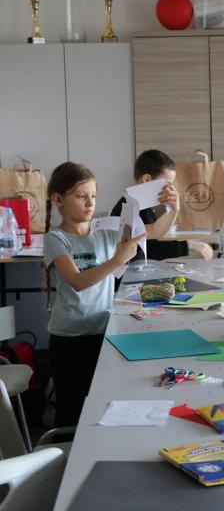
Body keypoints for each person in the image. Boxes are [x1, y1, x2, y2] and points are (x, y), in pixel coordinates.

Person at [44, 162, 143, 426]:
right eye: (81, 196)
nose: (90, 203)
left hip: (102, 333)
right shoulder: (55, 239)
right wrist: (117, 259)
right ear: (58, 199)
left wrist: (173, 208)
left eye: (94, 196)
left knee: (102, 405)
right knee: (71, 411)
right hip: (69, 340)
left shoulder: (105, 231)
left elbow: (152, 232)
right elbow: (77, 281)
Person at [110, 149, 213, 261]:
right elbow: (153, 247)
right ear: (146, 179)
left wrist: (175, 209)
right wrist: (190, 245)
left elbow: (155, 235)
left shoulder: (141, 206)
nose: (169, 189)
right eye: (167, 183)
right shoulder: (129, 206)